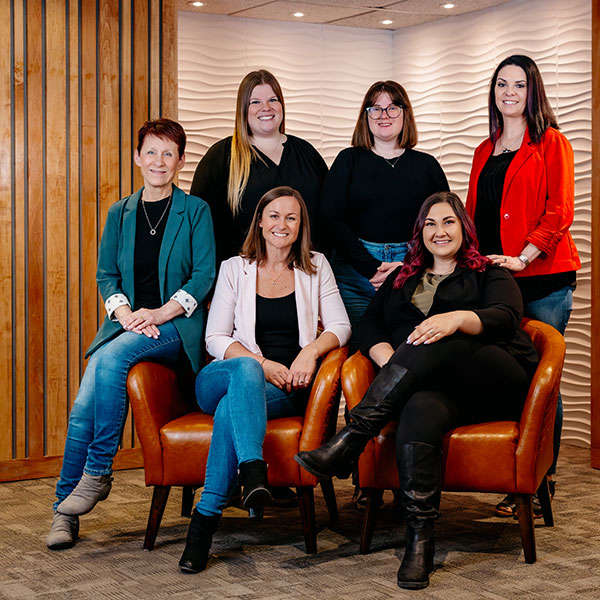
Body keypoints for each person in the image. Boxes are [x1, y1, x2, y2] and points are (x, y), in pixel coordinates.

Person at [295, 192, 538, 590]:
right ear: (419, 233)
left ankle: (353, 436)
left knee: (437, 335)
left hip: (493, 381)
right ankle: (419, 540)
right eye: (430, 224)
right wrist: (391, 355)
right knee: (419, 410)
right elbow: (369, 326)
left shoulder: (489, 272)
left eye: (448, 222)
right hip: (431, 388)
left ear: (464, 228)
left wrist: (457, 318)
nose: (439, 232)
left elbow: (506, 317)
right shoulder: (402, 277)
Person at [46, 119, 216, 550]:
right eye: (151, 152)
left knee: (109, 359)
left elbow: (202, 276)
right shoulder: (119, 212)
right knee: (83, 406)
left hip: (176, 327)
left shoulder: (195, 210)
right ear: (137, 157)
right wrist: (126, 315)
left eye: (169, 153)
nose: (159, 161)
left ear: (180, 160)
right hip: (127, 326)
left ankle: (99, 469)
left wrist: (158, 313)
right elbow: (107, 275)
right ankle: (63, 513)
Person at [178, 186, 350, 574]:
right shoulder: (233, 268)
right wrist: (260, 363)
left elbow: (340, 325)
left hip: (285, 389)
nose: (282, 224)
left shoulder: (316, 266)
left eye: (291, 217)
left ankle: (204, 524)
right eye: (274, 215)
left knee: (229, 412)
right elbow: (217, 337)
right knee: (243, 372)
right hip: (223, 376)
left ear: (301, 225)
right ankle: (252, 467)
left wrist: (310, 352)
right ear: (260, 220)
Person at [466, 54, 580, 518]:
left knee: (542, 378)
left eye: (519, 85)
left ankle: (539, 484)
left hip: (544, 276)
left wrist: (525, 255)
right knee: (511, 374)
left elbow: (560, 210)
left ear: (533, 92)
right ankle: (515, 474)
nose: (509, 92)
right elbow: (475, 218)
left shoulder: (552, 142)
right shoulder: (483, 149)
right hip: (498, 282)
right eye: (501, 85)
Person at [321, 80, 449, 351]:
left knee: (411, 351)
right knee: (359, 353)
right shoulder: (348, 160)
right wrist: (371, 268)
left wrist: (407, 265)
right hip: (355, 273)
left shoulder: (427, 165)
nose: (384, 116)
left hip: (415, 269)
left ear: (405, 114)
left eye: (393, 108)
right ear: (365, 116)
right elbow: (331, 219)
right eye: (375, 109)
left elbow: (444, 227)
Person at [190, 69, 328, 266]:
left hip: (304, 272)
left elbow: (330, 217)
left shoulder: (306, 153)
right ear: (243, 109)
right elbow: (200, 229)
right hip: (241, 278)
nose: (266, 108)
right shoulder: (221, 157)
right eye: (255, 102)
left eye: (273, 100)